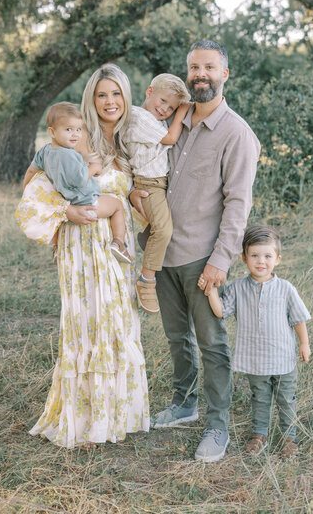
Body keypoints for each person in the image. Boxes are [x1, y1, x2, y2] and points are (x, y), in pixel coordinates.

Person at [131, 39, 261, 462]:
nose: (200, 74)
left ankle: (217, 424)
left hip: (203, 259)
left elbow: (238, 204)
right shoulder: (170, 120)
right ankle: (184, 404)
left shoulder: (236, 133)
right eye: (194, 68)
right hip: (161, 252)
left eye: (209, 67)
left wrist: (221, 260)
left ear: (225, 75)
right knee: (176, 337)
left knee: (213, 343)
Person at [16, 63, 150, 448]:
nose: (110, 102)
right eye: (102, 94)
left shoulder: (128, 143)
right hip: (79, 248)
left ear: (126, 97)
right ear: (91, 99)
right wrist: (64, 213)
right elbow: (31, 186)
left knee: (117, 324)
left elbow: (130, 195)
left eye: (117, 94)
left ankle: (118, 414)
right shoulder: (74, 138)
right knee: (86, 325)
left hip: (114, 249)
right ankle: (84, 420)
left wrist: (136, 198)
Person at [202, 225, 311, 458]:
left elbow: (298, 319)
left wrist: (304, 343)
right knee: (259, 398)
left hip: (283, 359)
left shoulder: (285, 289)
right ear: (244, 258)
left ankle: (289, 437)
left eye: (267, 256)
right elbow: (222, 311)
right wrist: (212, 291)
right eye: (254, 255)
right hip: (255, 360)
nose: (261, 261)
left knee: (286, 399)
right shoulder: (238, 288)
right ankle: (259, 433)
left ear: (277, 260)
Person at [22, 101, 131, 264]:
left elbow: (32, 171)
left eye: (78, 129)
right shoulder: (69, 154)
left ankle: (56, 247)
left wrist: (26, 191)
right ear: (52, 132)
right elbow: (79, 179)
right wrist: (94, 168)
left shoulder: (44, 152)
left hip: (66, 205)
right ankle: (119, 242)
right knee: (116, 206)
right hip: (87, 203)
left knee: (57, 225)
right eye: (68, 129)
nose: (75, 134)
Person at [124, 74, 190, 314]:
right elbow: (171, 138)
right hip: (149, 183)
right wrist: (182, 111)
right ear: (149, 91)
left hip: (159, 182)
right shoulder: (139, 117)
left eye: (171, 107)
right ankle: (147, 280)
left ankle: (149, 245)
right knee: (164, 230)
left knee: (164, 227)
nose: (165, 109)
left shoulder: (154, 119)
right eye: (162, 101)